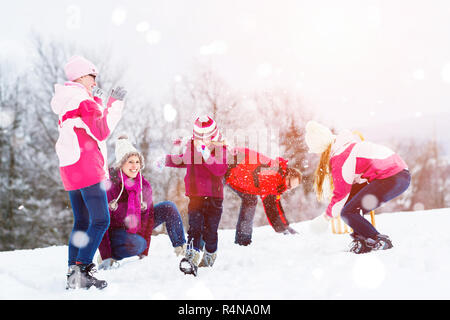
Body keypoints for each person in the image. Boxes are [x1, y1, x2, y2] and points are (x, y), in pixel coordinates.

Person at [51, 55, 126, 289]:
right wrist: (114, 104)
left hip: (70, 168)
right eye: (93, 77)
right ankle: (82, 269)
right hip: (87, 165)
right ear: (82, 76)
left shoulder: (67, 99)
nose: (95, 82)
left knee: (82, 221)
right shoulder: (83, 100)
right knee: (101, 219)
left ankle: (73, 272)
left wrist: (98, 103)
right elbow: (102, 131)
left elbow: (87, 127)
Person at [306, 120, 411, 253]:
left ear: (321, 148)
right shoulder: (345, 147)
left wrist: (325, 218)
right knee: (351, 205)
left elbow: (340, 195)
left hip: (391, 176)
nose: (316, 155)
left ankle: (377, 239)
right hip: (398, 175)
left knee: (348, 211)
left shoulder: (340, 157)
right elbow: (350, 190)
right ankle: (362, 239)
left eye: (316, 151)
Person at [97, 136, 187, 269]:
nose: (135, 166)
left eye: (137, 162)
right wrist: (106, 256)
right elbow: (102, 222)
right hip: (117, 231)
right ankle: (114, 255)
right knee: (138, 244)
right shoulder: (110, 184)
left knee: (168, 207)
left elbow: (149, 218)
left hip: (138, 224)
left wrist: (144, 254)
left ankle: (181, 249)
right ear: (121, 164)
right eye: (130, 162)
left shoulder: (143, 186)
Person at [165, 115, 228, 276]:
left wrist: (206, 154)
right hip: (196, 195)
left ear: (213, 135)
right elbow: (184, 160)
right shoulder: (192, 147)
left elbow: (220, 170)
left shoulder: (220, 148)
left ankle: (209, 255)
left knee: (210, 231)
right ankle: (191, 257)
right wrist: (166, 160)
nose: (203, 142)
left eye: (206, 138)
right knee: (194, 227)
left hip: (214, 197)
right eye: (200, 139)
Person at [225, 147, 302, 246]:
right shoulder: (273, 176)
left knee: (251, 200)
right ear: (287, 175)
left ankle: (243, 240)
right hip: (229, 164)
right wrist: (282, 229)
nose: (288, 188)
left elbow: (277, 203)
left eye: (290, 188)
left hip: (236, 170)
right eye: (289, 184)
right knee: (212, 200)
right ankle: (242, 240)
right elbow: (270, 206)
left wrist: (286, 225)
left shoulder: (279, 178)